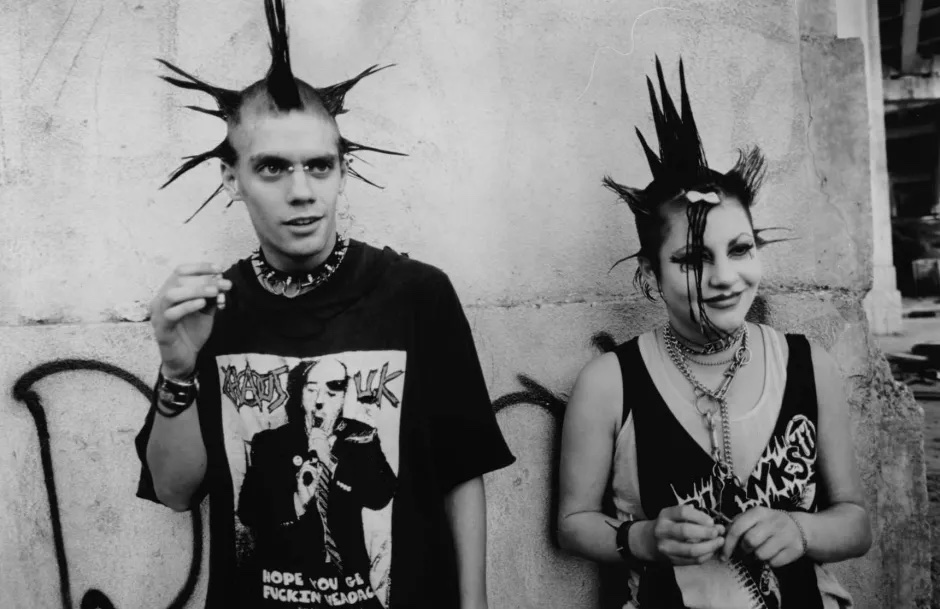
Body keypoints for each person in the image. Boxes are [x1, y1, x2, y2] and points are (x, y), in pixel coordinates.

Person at [134, 2, 515, 608]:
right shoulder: (212, 312)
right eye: (272, 168)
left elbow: (459, 475)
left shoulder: (417, 294)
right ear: (231, 179)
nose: (302, 190)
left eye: (320, 164)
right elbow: (175, 491)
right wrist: (178, 371)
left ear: (344, 169)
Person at [556, 58, 872, 609]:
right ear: (651, 275)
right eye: (691, 259)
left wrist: (800, 531)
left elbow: (856, 523)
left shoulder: (807, 366)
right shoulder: (610, 382)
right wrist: (644, 538)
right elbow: (572, 524)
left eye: (741, 249)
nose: (724, 278)